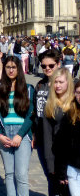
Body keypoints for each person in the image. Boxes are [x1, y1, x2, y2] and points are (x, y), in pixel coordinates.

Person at [0, 56, 34, 196]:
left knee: (21, 174)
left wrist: (20, 135)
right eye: (8, 67)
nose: (10, 70)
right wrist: (0, 135)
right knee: (9, 173)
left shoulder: (28, 89)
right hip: (5, 133)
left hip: (22, 134)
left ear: (19, 69)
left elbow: (31, 115)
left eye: (13, 67)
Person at [42, 67, 75, 196]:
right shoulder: (50, 105)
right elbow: (47, 136)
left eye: (61, 82)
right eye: (55, 82)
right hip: (57, 157)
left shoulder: (74, 103)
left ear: (68, 83)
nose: (58, 85)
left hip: (73, 158)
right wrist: (50, 164)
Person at [33, 49, 61, 180]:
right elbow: (34, 113)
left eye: (51, 66)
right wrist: (34, 134)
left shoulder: (63, 85)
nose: (47, 68)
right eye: (44, 66)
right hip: (42, 138)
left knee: (60, 176)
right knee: (49, 176)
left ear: (58, 64)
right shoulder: (40, 85)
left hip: (59, 139)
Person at [53, 79, 80, 196]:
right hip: (72, 168)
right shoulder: (70, 114)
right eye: (78, 93)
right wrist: (61, 171)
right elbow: (60, 144)